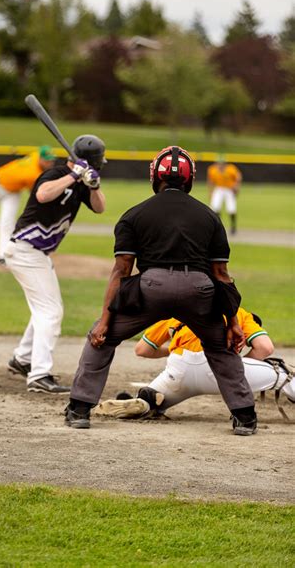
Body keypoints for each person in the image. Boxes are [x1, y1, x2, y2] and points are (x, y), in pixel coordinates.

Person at [66, 145, 257, 435]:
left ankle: (79, 409)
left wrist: (105, 322)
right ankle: (245, 417)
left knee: (101, 340)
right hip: (200, 291)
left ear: (155, 177)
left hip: (151, 288)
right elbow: (221, 275)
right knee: (221, 347)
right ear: (189, 179)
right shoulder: (209, 217)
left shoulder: (135, 214)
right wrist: (232, 324)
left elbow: (121, 271)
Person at [5, 135, 106, 394]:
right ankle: (38, 375)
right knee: (50, 312)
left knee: (45, 308)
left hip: (37, 254)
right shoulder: (56, 174)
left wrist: (93, 185)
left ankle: (22, 359)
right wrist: (74, 176)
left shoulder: (83, 181)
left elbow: (100, 208)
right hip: (25, 251)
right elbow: (43, 194)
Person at [96, 308, 295, 418]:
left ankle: (145, 403)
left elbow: (142, 350)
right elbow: (265, 348)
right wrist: (237, 375)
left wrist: (174, 348)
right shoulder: (240, 314)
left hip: (178, 368)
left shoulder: (175, 314)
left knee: (152, 400)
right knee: (284, 373)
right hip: (220, 367)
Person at [0, 146, 57, 263]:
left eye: (51, 160)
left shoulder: (35, 156)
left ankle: (2, 256)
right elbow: (36, 195)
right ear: (40, 159)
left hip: (14, 190)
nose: (50, 163)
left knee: (7, 222)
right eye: (47, 160)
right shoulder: (32, 173)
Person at [207, 157, 242, 234]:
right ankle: (217, 226)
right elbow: (211, 181)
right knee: (214, 207)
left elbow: (238, 177)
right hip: (219, 189)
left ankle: (233, 227)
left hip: (229, 190)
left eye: (222, 164)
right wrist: (210, 191)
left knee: (231, 209)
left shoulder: (231, 169)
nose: (220, 166)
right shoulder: (213, 169)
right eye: (219, 164)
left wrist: (236, 187)